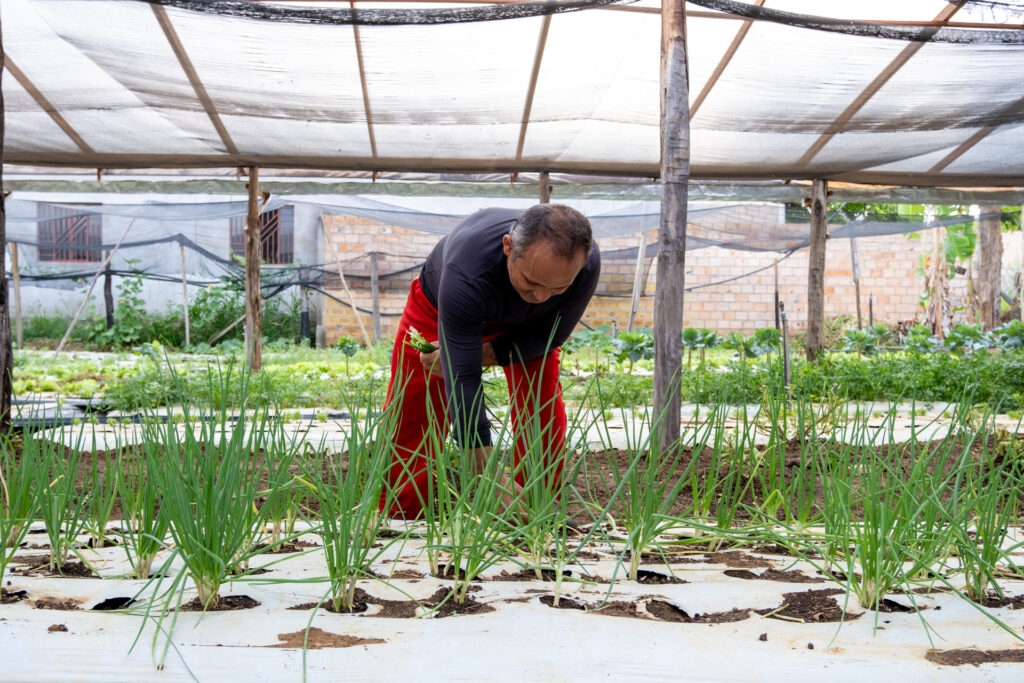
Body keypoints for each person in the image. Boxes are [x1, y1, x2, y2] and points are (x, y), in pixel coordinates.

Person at [380, 203, 601, 518]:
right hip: (440, 310)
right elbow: (465, 381)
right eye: (532, 282)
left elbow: (550, 336)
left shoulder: (587, 263)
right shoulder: (467, 268)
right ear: (508, 248)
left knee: (541, 402)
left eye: (558, 288)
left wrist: (474, 355)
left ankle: (535, 506)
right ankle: (404, 512)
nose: (542, 295)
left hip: (531, 328)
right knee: (414, 402)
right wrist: (489, 475)